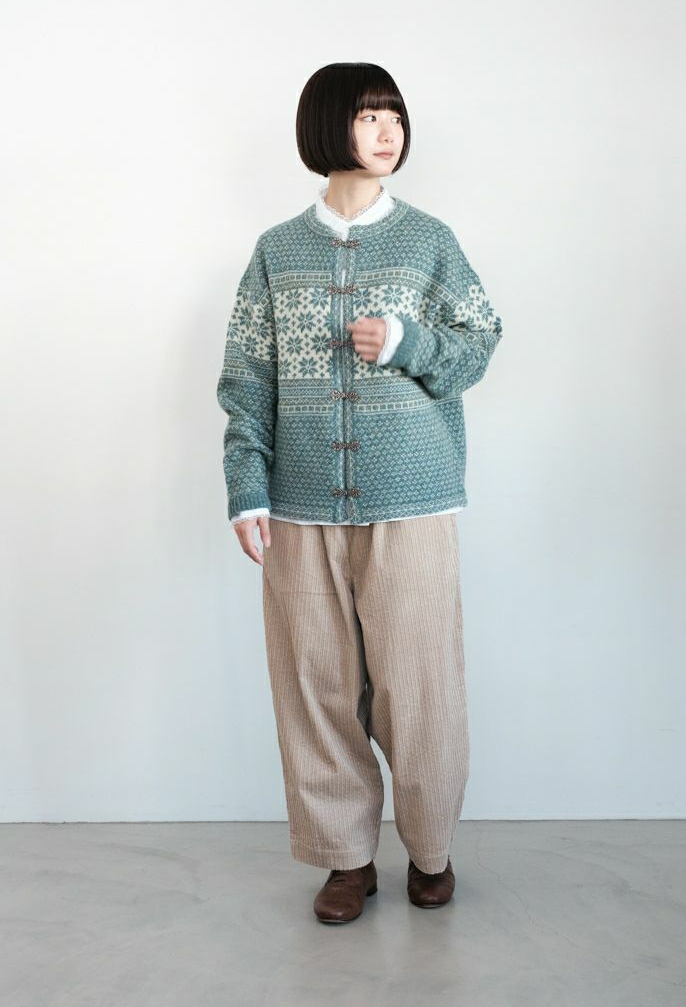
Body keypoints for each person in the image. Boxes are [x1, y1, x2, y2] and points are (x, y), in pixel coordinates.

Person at [216, 62, 503, 924]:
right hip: (300, 505)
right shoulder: (277, 252)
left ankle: (431, 849)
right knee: (317, 687)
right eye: (370, 116)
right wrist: (246, 487)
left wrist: (409, 341)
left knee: (420, 690)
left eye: (395, 117)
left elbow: (480, 341)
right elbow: (247, 377)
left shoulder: (428, 241)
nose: (388, 132)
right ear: (327, 126)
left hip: (413, 501)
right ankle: (345, 859)